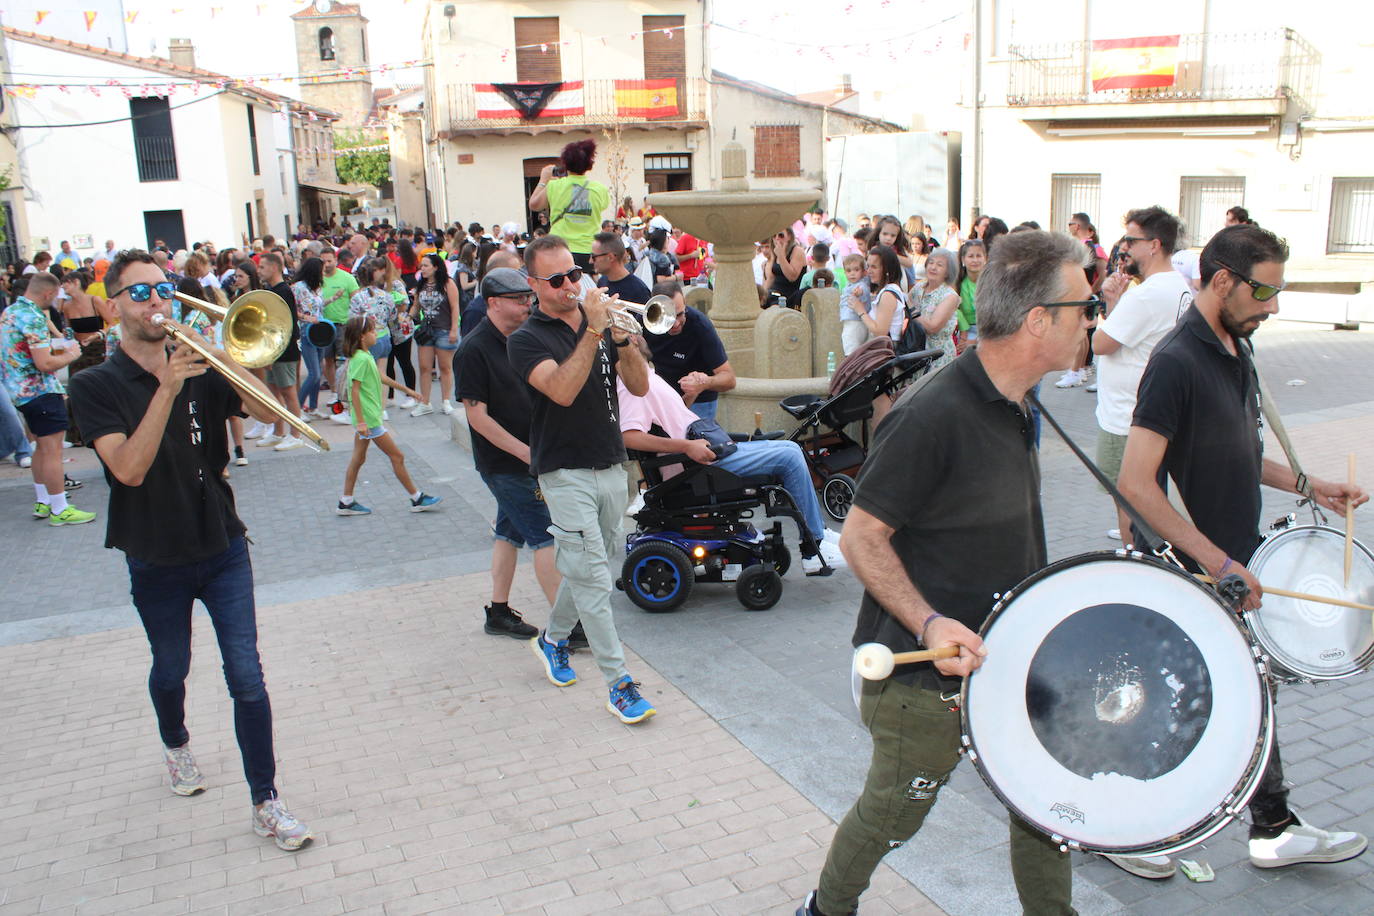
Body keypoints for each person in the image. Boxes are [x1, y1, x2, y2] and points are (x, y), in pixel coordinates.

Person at [797, 229, 1096, 916]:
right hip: (922, 678)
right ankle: (825, 910)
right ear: (1039, 320)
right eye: (1087, 308)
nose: (1095, 317)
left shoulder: (1019, 403)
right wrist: (931, 621)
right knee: (892, 817)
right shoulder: (931, 416)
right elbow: (862, 538)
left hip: (1009, 664)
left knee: (1042, 809)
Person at [1118, 223, 1369, 876]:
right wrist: (1217, 562)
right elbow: (1136, 484)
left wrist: (1314, 486)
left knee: (1243, 694)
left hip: (1236, 559)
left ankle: (1271, 827)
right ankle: (1131, 827)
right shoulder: (1176, 362)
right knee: (1196, 700)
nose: (1273, 306)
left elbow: (1239, 452)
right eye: (1265, 291)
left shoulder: (1236, 346)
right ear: (1222, 280)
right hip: (1194, 566)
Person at [66, 249, 312, 851]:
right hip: (155, 553)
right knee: (171, 667)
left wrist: (224, 359)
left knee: (247, 677)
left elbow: (269, 412)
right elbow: (127, 469)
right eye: (142, 293)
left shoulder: (201, 363)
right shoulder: (94, 385)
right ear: (113, 304)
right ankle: (175, 741)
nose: (157, 302)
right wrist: (168, 387)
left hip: (222, 542)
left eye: (165, 289)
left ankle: (267, 801)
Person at [507, 234, 657, 724]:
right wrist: (593, 332)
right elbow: (562, 391)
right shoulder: (526, 339)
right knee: (593, 576)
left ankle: (552, 640)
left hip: (611, 462)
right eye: (556, 280)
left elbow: (638, 385)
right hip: (562, 469)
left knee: (586, 562)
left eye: (574, 274)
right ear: (533, 285)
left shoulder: (599, 324)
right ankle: (619, 684)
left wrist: (621, 338)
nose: (570, 285)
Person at [618, 347, 845, 574]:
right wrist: (687, 446)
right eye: (630, 335)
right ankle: (813, 548)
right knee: (790, 456)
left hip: (704, 455)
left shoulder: (645, 377)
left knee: (789, 448)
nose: (637, 334)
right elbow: (629, 436)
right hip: (697, 467)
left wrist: (690, 397)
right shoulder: (631, 385)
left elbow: (667, 423)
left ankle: (818, 533)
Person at [455, 267, 568, 640]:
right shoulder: (473, 349)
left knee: (508, 534)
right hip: (505, 464)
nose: (527, 305)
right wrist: (527, 454)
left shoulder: (522, 337)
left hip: (529, 456)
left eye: (528, 298)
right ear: (492, 303)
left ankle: (498, 613)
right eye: (518, 299)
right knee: (545, 537)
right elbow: (477, 418)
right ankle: (569, 626)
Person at [1093, 206, 1193, 549]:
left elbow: (1101, 343)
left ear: (1154, 245)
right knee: (1149, 494)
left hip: (1125, 417)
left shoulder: (1146, 294)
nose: (1124, 249)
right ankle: (1149, 556)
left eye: (1131, 241)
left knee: (1129, 501)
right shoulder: (1178, 286)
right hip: (1151, 411)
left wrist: (1112, 302)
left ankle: (1137, 562)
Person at [0, 271, 96, 525]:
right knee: (52, 452)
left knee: (40, 450)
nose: (55, 303)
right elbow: (44, 363)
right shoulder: (32, 318)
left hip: (21, 393)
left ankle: (44, 501)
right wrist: (72, 355)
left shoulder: (10, 313)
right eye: (55, 297)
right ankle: (59, 507)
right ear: (48, 293)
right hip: (40, 392)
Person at [335, 315, 440, 516]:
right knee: (397, 456)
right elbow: (354, 391)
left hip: (367, 419)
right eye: (373, 331)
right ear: (361, 337)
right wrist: (362, 422)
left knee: (358, 458)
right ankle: (416, 497)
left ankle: (346, 500)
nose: (376, 334)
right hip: (369, 420)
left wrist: (409, 391)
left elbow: (381, 377)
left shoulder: (364, 357)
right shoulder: (361, 359)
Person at [646, 281, 735, 421]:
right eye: (668, 317)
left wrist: (704, 382)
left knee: (697, 439)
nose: (675, 323)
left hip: (700, 400)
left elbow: (730, 379)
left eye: (680, 314)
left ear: (685, 303)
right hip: (664, 395)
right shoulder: (646, 322)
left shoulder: (700, 326)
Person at [528, 139, 610, 269]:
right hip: (589, 250)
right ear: (589, 164)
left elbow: (534, 205)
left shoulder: (554, 185)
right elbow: (603, 206)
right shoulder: (600, 189)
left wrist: (544, 180)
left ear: (565, 163)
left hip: (560, 248)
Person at [254, 252, 304, 451]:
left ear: (274, 268)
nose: (259, 271)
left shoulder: (283, 291)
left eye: (262, 267)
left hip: (284, 351)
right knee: (274, 392)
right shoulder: (272, 290)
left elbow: (286, 324)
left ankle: (296, 434)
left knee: (289, 392)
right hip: (274, 352)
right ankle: (278, 432)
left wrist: (273, 353)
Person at [1055, 213, 1109, 389]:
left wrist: (1089, 292)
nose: (1068, 226)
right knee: (1082, 334)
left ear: (1077, 226)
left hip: (1082, 297)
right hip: (1078, 296)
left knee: (1080, 333)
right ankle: (1079, 369)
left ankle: (1076, 371)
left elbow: (1102, 273)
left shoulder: (1091, 247)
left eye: (1070, 223)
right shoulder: (1080, 246)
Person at [411, 252, 460, 416]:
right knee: (425, 367)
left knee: (445, 367)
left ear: (435, 267)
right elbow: (416, 306)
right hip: (426, 330)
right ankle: (425, 401)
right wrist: (408, 317)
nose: (422, 269)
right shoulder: (421, 284)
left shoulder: (447, 283)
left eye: (425, 266)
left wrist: (454, 329)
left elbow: (455, 307)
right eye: (421, 266)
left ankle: (446, 400)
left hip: (444, 329)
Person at [318, 246, 359, 418]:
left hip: (343, 324)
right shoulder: (318, 279)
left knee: (345, 359)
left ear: (335, 260)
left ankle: (345, 391)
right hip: (324, 325)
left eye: (329, 261)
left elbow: (356, 299)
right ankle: (334, 390)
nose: (326, 264)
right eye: (323, 261)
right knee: (328, 359)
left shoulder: (347, 278)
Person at [909, 247, 961, 368]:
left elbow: (933, 327)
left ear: (948, 272)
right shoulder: (919, 286)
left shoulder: (949, 296)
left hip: (937, 357)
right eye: (931, 263)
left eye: (939, 265)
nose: (933, 267)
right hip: (915, 351)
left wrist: (912, 310)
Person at [292, 256, 328, 420]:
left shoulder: (317, 288)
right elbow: (292, 309)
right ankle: (297, 408)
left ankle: (312, 407)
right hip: (307, 330)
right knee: (313, 372)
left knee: (318, 371)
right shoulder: (298, 288)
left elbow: (319, 306)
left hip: (320, 330)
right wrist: (307, 318)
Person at [350, 256, 397, 383]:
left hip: (366, 339)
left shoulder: (357, 298)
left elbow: (353, 322)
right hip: (384, 336)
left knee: (365, 378)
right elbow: (393, 316)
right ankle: (382, 403)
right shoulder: (386, 296)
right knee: (382, 376)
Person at [859, 245, 905, 344]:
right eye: (868, 266)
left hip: (886, 352)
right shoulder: (892, 290)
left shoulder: (888, 295)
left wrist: (860, 311)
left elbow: (880, 332)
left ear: (887, 269)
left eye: (874, 267)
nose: (869, 271)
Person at [591, 231, 651, 305]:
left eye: (594, 257)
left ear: (610, 257)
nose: (590, 261)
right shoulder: (602, 281)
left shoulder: (639, 290)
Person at [955, 239, 986, 352]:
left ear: (985, 258)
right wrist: (964, 336)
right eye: (971, 256)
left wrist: (976, 341)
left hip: (988, 332)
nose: (975, 260)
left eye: (979, 256)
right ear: (963, 259)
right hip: (964, 330)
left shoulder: (992, 283)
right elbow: (955, 309)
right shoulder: (958, 282)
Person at [838, 253, 872, 356]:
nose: (852, 273)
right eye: (849, 271)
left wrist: (859, 293)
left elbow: (862, 291)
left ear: (863, 271)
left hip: (855, 321)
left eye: (856, 270)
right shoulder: (850, 284)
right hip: (851, 320)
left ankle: (850, 364)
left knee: (851, 347)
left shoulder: (861, 285)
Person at [765, 227, 807, 305]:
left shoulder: (797, 251)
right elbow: (770, 278)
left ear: (789, 236)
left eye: (781, 235)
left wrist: (781, 256)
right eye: (774, 236)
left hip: (789, 297)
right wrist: (762, 295)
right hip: (773, 293)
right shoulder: (775, 252)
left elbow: (792, 277)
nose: (777, 238)